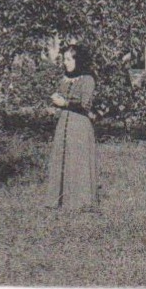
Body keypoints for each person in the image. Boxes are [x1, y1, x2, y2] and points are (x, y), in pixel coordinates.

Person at [46, 43, 99, 210]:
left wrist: (65, 103)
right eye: (64, 59)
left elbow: (85, 105)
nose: (65, 63)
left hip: (79, 126)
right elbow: (61, 99)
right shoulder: (64, 79)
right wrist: (54, 106)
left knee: (78, 161)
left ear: (78, 60)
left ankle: (80, 202)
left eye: (69, 59)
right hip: (64, 124)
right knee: (62, 159)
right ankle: (60, 200)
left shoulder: (88, 79)